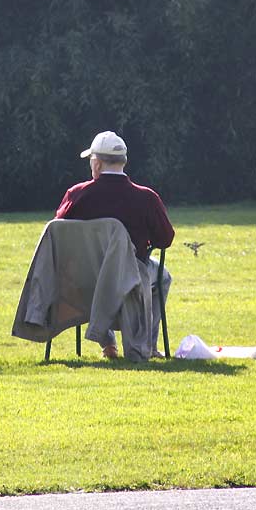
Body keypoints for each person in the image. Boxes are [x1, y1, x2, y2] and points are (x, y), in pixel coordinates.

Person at [55, 131, 174, 358]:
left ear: (97, 164)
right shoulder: (146, 198)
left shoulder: (77, 195)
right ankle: (147, 344)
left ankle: (107, 343)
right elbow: (165, 239)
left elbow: (59, 233)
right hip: (132, 277)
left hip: (84, 278)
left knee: (100, 278)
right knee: (164, 277)